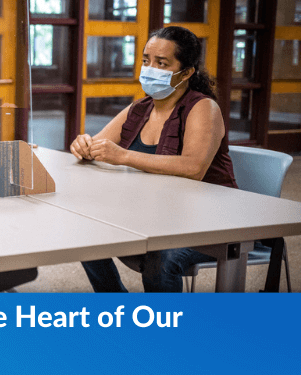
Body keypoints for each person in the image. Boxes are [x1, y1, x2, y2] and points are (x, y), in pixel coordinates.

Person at [70, 26, 238, 292]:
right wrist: (84, 146)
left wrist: (124, 156)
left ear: (187, 72)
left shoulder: (202, 107)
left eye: (162, 63)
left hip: (207, 220)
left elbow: (193, 167)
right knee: (85, 230)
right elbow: (98, 147)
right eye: (146, 60)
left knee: (162, 258)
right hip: (156, 214)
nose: (150, 69)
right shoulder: (140, 108)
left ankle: (162, 330)